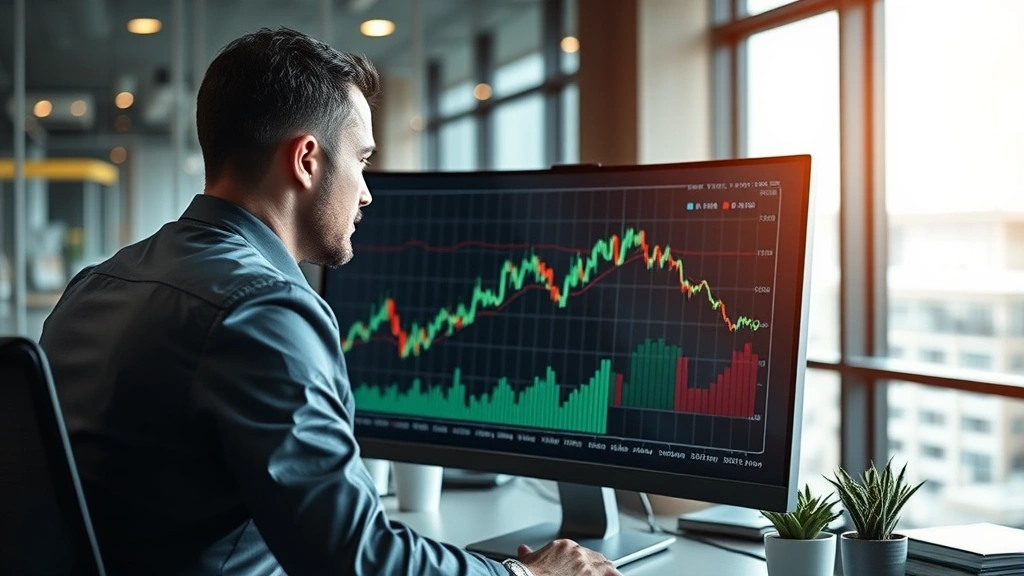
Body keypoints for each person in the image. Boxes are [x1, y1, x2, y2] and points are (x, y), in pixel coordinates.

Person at [38, 27, 621, 576]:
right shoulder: (263, 308)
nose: (367, 191)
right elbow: (355, 559)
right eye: (362, 159)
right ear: (307, 160)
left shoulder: (96, 284)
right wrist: (522, 572)